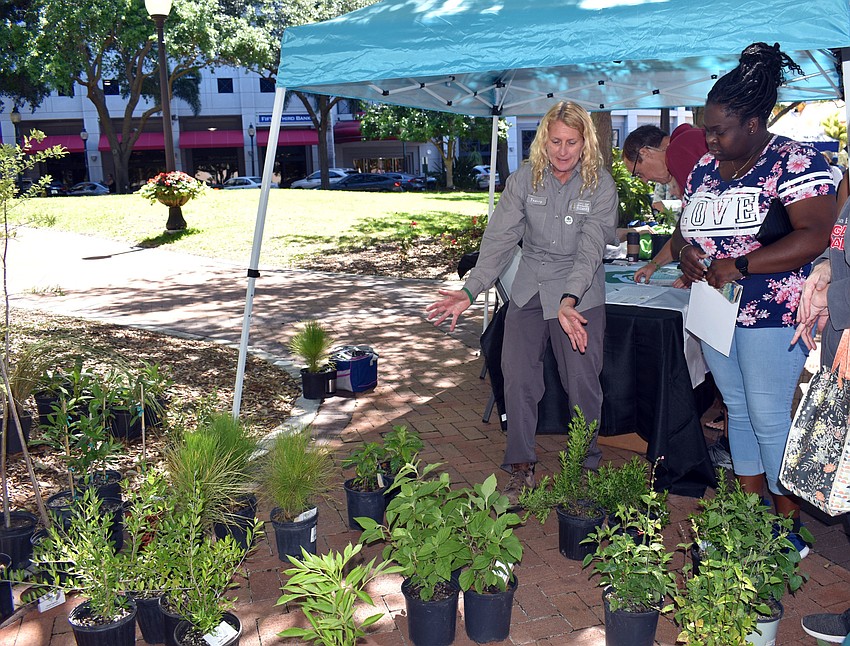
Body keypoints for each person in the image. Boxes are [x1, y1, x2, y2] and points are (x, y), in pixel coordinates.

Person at [672, 42, 837, 557]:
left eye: (720, 130)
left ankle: (790, 529)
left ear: (753, 123)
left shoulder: (794, 160)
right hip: (716, 310)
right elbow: (683, 232)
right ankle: (750, 516)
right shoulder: (704, 168)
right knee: (738, 412)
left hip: (775, 310)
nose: (710, 139)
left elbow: (815, 234)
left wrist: (740, 265)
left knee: (768, 415)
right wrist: (687, 255)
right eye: (707, 129)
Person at [425, 101, 617, 506]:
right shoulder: (524, 179)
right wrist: (471, 290)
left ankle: (585, 466)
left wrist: (569, 299)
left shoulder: (600, 184)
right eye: (555, 142)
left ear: (585, 143)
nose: (562, 151)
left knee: (582, 382)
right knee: (516, 377)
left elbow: (590, 249)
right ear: (543, 141)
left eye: (571, 142)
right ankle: (521, 467)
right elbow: (500, 239)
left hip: (579, 295)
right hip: (530, 287)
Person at [622, 124, 708, 284]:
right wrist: (653, 265)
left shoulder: (678, 151)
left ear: (645, 153)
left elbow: (702, 225)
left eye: (639, 173)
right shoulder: (687, 141)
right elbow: (684, 229)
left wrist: (694, 272)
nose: (645, 180)